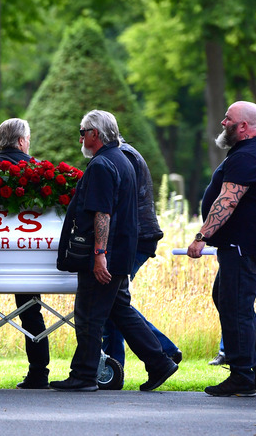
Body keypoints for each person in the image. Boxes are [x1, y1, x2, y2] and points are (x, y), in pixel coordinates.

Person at [50, 110, 177, 392]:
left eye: (83, 131)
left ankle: (83, 375)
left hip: (107, 253)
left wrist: (98, 254)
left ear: (95, 134)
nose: (80, 137)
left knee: (89, 315)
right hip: (122, 251)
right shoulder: (122, 160)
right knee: (119, 310)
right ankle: (160, 362)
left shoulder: (102, 165)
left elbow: (102, 214)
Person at [187, 101, 256, 397]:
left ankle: (242, 374)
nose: (222, 123)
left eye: (227, 119)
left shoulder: (250, 155)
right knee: (226, 297)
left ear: (242, 126)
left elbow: (227, 200)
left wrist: (202, 235)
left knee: (236, 305)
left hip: (244, 242)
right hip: (246, 241)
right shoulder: (255, 150)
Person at [101, 135, 181, 371]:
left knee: (114, 302)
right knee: (114, 302)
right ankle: (120, 367)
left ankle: (161, 351)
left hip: (132, 238)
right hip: (137, 237)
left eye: (84, 133)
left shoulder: (120, 157)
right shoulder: (127, 153)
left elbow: (118, 204)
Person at [0, 118, 50, 389]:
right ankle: (38, 373)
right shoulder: (38, 171)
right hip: (27, 254)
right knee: (31, 313)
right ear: (21, 141)